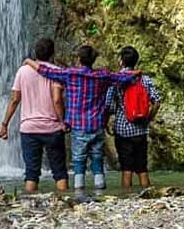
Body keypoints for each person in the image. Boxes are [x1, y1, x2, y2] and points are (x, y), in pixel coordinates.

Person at [25, 46, 138, 190]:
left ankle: (79, 190)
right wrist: (137, 72)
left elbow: (47, 71)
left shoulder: (71, 74)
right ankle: (100, 187)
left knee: (79, 160)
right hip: (97, 124)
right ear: (93, 60)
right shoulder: (102, 75)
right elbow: (121, 77)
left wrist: (29, 61)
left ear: (79, 59)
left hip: (78, 126)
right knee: (97, 158)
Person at [0, 38, 69, 192]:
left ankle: (29, 205)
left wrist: (5, 124)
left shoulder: (22, 71)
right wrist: (63, 121)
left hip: (29, 129)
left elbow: (15, 99)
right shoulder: (55, 71)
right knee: (59, 171)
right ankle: (65, 202)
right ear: (52, 53)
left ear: (35, 53)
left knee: (31, 173)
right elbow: (57, 100)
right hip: (52, 127)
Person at [104, 45, 162, 189]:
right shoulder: (145, 79)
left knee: (126, 169)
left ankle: (127, 197)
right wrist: (148, 118)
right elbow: (157, 101)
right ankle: (148, 196)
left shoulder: (116, 81)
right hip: (141, 130)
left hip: (123, 130)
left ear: (121, 61)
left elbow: (108, 105)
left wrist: (105, 123)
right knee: (142, 169)